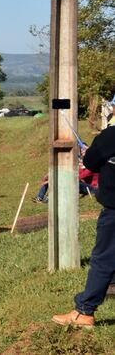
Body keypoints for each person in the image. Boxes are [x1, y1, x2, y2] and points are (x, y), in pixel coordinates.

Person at [53, 124, 115, 329]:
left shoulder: (110, 136)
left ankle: (84, 311)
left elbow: (90, 163)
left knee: (103, 259)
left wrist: (89, 152)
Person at [34, 146, 98, 203]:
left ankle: (55, 199)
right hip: (83, 187)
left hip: (93, 188)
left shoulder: (91, 167)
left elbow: (76, 177)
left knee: (73, 181)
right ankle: (40, 197)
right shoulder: (82, 167)